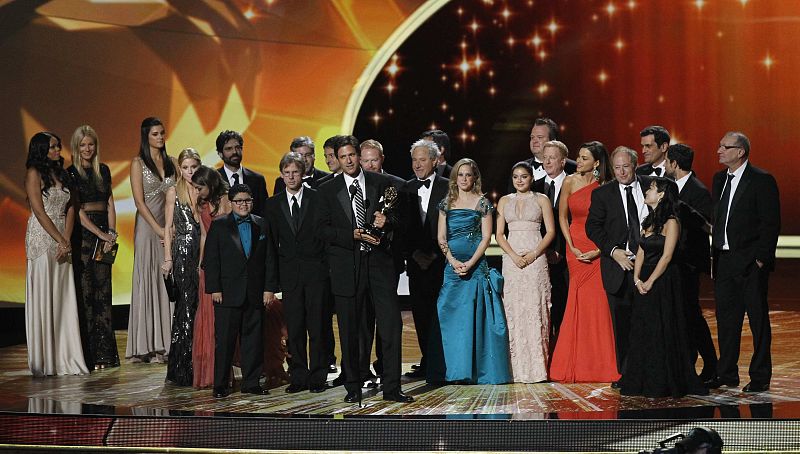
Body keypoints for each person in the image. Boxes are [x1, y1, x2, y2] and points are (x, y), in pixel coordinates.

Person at [317, 135, 412, 403]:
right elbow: (321, 230)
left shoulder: (381, 183)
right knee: (351, 329)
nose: (348, 160)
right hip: (348, 266)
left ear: (359, 156)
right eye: (342, 156)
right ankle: (354, 386)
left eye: (351, 155)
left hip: (380, 265)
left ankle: (392, 388)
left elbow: (399, 219)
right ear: (337, 159)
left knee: (391, 325)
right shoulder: (326, 190)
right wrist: (351, 234)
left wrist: (387, 221)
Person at [426, 158, 511, 385]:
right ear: (455, 178)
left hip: (476, 267)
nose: (464, 179)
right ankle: (456, 370)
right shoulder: (447, 203)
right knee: (453, 318)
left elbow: (486, 237)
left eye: (468, 175)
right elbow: (441, 237)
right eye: (460, 175)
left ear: (475, 178)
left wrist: (471, 262)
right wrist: (453, 261)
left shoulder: (482, 203)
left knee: (475, 317)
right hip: (452, 269)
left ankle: (477, 370)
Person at [622, 177, 708, 397]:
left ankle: (664, 380)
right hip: (644, 282)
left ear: (661, 194)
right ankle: (641, 378)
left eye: (651, 188)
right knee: (645, 329)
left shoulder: (672, 222)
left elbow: (667, 255)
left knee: (664, 327)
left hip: (664, 281)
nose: (647, 191)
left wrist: (651, 281)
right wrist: (637, 279)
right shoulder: (648, 222)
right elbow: (640, 251)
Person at [709, 131, 780, 393]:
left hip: (751, 263)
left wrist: (761, 260)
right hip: (724, 261)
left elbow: (770, 224)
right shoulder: (719, 180)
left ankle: (760, 377)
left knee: (758, 321)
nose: (719, 150)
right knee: (727, 320)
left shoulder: (762, 180)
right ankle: (727, 373)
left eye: (725, 147)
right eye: (720, 145)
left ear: (740, 152)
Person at [550, 141, 620, 383]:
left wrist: (600, 251)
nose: (577, 161)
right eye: (578, 157)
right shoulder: (569, 181)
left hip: (598, 247)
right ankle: (573, 362)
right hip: (575, 247)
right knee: (576, 301)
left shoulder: (607, 186)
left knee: (598, 305)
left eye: (583, 158)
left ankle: (600, 364)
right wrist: (570, 245)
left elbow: (613, 224)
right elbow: (562, 216)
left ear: (597, 163)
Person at [24, 131, 88, 377]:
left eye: (58, 146)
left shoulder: (61, 174)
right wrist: (60, 239)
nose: (57, 150)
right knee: (45, 294)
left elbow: (71, 206)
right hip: (43, 239)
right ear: (41, 149)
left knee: (63, 298)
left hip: (63, 240)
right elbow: (39, 212)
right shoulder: (34, 173)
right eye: (52, 147)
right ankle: (45, 360)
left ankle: (66, 355)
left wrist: (67, 239)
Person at [265, 152, 329, 394]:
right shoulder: (273, 204)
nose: (291, 177)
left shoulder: (318, 198)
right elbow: (270, 247)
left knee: (317, 327)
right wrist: (271, 283)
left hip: (316, 275)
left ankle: (318, 376)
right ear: (281, 175)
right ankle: (299, 375)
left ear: (303, 174)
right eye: (287, 173)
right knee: (296, 327)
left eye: (295, 172)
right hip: (290, 277)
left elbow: (325, 238)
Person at [586, 146, 651, 375]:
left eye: (626, 167)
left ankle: (651, 370)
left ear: (635, 165)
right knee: (622, 324)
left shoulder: (651, 186)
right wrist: (614, 251)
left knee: (649, 323)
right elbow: (592, 227)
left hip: (648, 266)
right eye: (617, 168)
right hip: (618, 268)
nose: (621, 172)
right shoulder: (603, 194)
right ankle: (627, 374)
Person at [203, 184, 273, 398]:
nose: (243, 204)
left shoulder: (261, 224)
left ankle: (251, 383)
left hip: (254, 293)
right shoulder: (219, 225)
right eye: (239, 201)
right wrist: (214, 288)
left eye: (247, 200)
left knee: (253, 340)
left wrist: (269, 288)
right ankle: (221, 384)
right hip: (227, 293)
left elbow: (269, 259)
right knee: (224, 341)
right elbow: (211, 259)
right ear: (231, 203)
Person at [496, 161, 555, 383]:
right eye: (516, 177)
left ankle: (538, 370)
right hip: (512, 261)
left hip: (536, 259)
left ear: (531, 178)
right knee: (514, 310)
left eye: (524, 176)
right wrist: (513, 255)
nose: (519, 180)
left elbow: (550, 231)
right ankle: (515, 370)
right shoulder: (504, 201)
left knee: (536, 308)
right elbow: (499, 234)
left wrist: (533, 254)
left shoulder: (541, 200)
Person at [67, 125, 119, 370]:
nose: (88, 149)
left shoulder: (104, 170)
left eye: (91, 144)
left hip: (104, 236)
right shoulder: (71, 174)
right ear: (76, 148)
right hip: (85, 238)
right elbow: (77, 212)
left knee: (104, 295)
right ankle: (88, 355)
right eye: (83, 145)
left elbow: (109, 202)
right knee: (86, 294)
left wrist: (111, 232)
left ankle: (106, 355)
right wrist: (99, 233)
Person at [664, 144, 717, 381]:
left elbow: (705, 226)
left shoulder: (698, 191)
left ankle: (710, 364)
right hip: (673, 262)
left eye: (667, 162)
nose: (665, 166)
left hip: (688, 264)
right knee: (681, 314)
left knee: (691, 314)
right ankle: (686, 364)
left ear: (674, 164)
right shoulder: (670, 188)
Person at [126, 117, 176, 363]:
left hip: (169, 227)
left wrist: (169, 228)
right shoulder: (138, 163)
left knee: (166, 279)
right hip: (147, 229)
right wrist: (158, 230)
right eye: (155, 134)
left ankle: (167, 342)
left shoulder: (172, 162)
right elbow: (138, 202)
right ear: (146, 137)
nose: (160, 137)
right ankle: (147, 344)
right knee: (148, 277)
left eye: (162, 133)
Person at [403, 139, 448, 378]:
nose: (417, 165)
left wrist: (435, 253)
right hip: (415, 262)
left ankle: (442, 362)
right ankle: (426, 361)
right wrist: (414, 253)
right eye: (414, 160)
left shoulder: (449, 187)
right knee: (419, 314)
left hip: (441, 262)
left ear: (435, 160)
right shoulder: (404, 187)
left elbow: (453, 225)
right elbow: (401, 227)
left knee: (440, 313)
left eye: (422, 160)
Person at [161, 148, 202, 386]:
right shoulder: (173, 191)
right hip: (183, 251)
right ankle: (181, 369)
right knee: (185, 308)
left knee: (200, 308)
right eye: (185, 168)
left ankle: (200, 365)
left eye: (193, 167)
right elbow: (167, 227)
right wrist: (168, 259)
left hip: (202, 251)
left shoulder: (204, 189)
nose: (189, 172)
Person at [190, 165, 231, 389]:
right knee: (206, 317)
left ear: (210, 184)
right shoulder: (201, 204)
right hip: (210, 266)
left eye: (200, 187)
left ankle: (224, 370)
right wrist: (200, 262)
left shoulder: (226, 199)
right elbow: (204, 235)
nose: (197, 192)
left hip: (227, 263)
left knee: (223, 319)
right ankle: (209, 373)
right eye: (195, 188)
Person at [532, 140, 570, 342]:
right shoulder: (535, 187)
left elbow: (573, 222)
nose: (547, 162)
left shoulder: (573, 185)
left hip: (566, 257)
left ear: (563, 161)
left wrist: (560, 250)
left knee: (563, 306)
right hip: (541, 256)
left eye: (552, 158)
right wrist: (544, 250)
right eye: (544, 158)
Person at [215, 130, 268, 217]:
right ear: (220, 154)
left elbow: (264, 213)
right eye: (229, 149)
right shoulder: (214, 180)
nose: (234, 152)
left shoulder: (258, 179)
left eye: (237, 147)